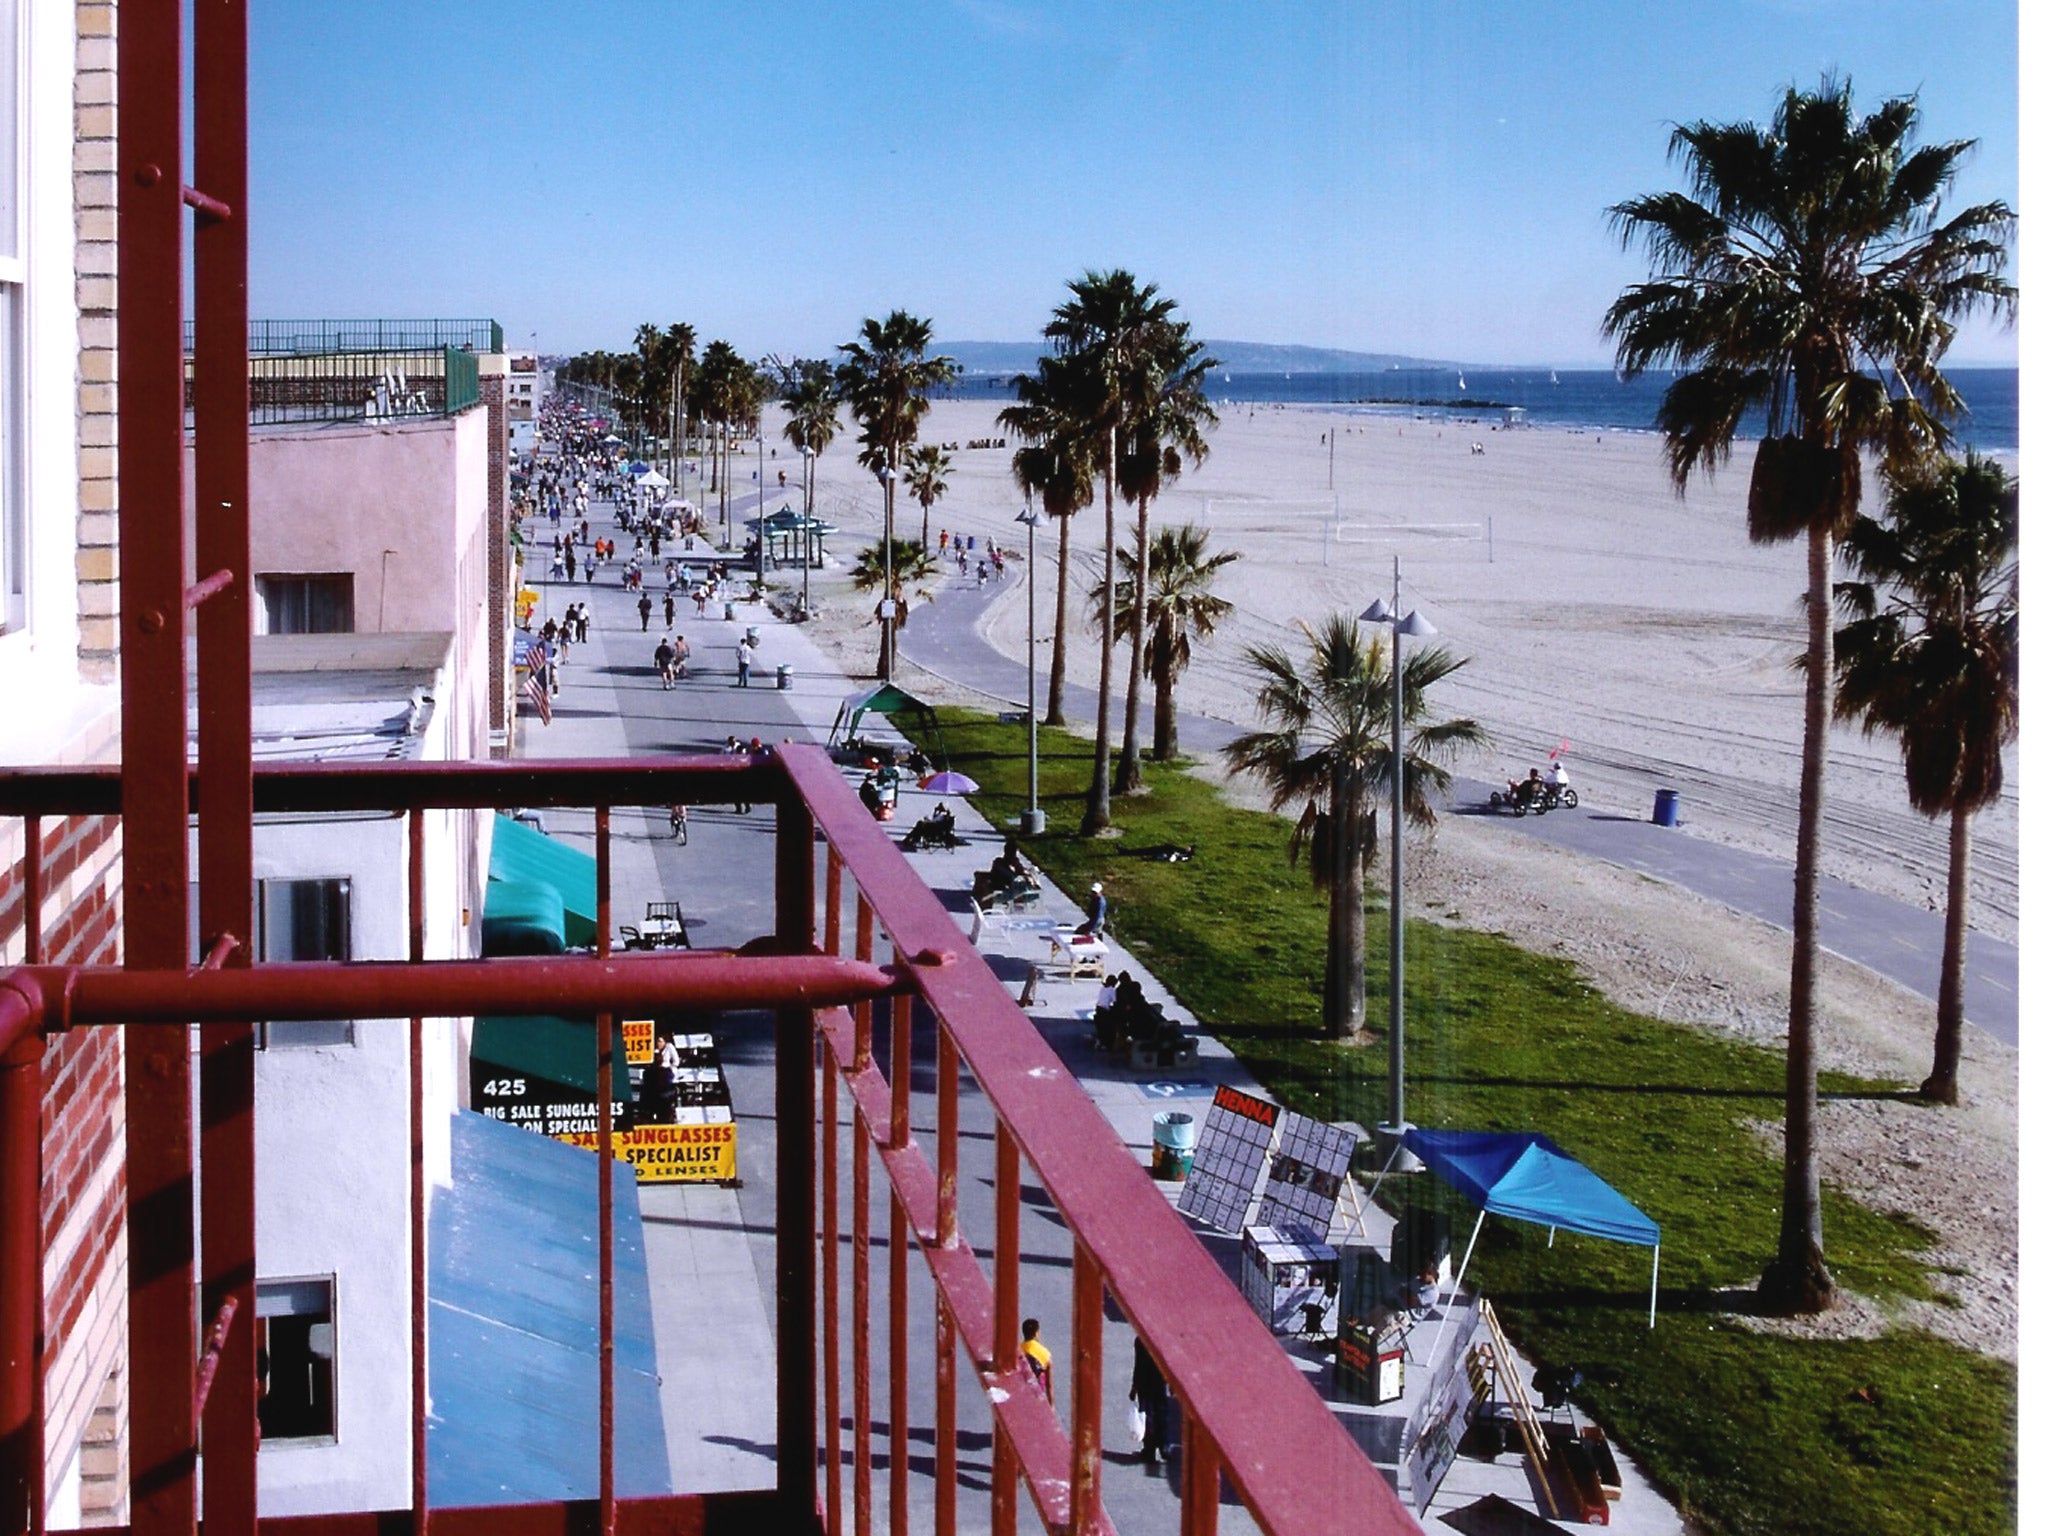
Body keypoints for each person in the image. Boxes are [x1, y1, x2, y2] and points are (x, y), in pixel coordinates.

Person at [1130, 1338, 1170, 1467]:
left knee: (1147, 1416)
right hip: (1160, 1381)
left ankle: (1149, 1450)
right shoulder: (1162, 1339)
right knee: (1162, 1413)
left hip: (1144, 1383)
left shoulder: (1140, 1341)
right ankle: (1164, 1446)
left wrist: (1134, 1387)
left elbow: (1138, 1365)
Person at [1021, 1318, 1054, 1403]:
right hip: (1037, 1396)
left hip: (1020, 1394)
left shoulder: (1017, 1350)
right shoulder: (1045, 1353)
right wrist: (1051, 1406)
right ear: (1036, 1333)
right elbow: (1049, 1386)